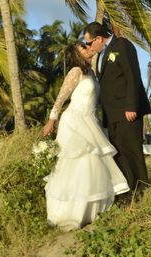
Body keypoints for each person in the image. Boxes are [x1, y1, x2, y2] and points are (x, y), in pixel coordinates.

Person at [42, 44, 129, 230]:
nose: (87, 47)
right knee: (75, 165)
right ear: (77, 54)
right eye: (83, 47)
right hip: (73, 122)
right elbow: (61, 97)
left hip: (91, 122)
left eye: (86, 44)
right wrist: (52, 120)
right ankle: (69, 212)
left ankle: (89, 211)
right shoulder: (75, 71)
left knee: (92, 167)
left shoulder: (92, 73)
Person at [82, 21, 151, 198]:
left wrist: (131, 105)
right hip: (112, 115)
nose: (88, 47)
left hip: (127, 111)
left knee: (132, 152)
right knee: (120, 154)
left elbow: (132, 75)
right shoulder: (104, 54)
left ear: (98, 38)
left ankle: (142, 191)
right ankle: (127, 194)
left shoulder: (122, 45)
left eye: (89, 43)